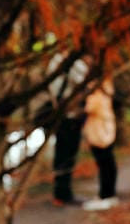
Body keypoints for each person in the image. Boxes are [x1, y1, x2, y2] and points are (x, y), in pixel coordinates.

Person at [49, 55, 88, 206]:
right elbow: (82, 81)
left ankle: (62, 192)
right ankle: (63, 193)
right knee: (66, 153)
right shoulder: (68, 62)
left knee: (63, 153)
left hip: (64, 113)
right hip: (69, 115)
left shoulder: (55, 62)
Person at [82, 76, 118, 211]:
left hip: (100, 130)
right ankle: (107, 194)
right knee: (107, 162)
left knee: (105, 162)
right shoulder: (104, 87)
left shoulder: (99, 89)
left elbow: (91, 106)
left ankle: (107, 194)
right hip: (103, 128)